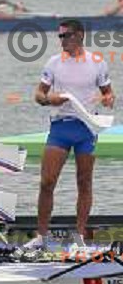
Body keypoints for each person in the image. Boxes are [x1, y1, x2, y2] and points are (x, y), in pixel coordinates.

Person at [25, 20, 115, 250]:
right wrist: (48, 100)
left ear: (80, 36)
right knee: (47, 182)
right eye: (60, 36)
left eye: (66, 35)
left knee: (84, 182)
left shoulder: (97, 63)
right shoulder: (54, 63)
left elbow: (109, 94)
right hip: (61, 128)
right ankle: (41, 237)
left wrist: (108, 100)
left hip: (86, 129)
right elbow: (38, 94)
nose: (62, 40)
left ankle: (79, 237)